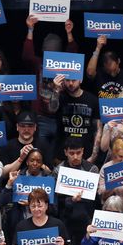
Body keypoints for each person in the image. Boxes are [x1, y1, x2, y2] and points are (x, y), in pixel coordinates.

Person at [22, 15, 78, 164]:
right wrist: (30, 29)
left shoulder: (63, 64)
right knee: (41, 155)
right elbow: (27, 55)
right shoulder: (39, 63)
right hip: (41, 117)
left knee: (58, 156)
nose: (51, 52)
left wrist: (69, 33)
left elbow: (74, 55)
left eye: (54, 49)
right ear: (44, 50)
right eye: (48, 49)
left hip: (61, 117)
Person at [53, 137, 100, 245]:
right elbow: (55, 199)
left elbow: (95, 198)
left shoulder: (92, 169)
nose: (75, 156)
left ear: (83, 152)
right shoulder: (59, 170)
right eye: (71, 153)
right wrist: (70, 200)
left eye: (78, 153)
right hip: (64, 219)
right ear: (65, 152)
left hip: (85, 218)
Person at [48, 74, 101, 162]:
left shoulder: (92, 100)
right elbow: (52, 109)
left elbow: (98, 130)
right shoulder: (60, 97)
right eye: (67, 80)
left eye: (74, 80)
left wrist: (94, 155)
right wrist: (56, 90)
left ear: (80, 80)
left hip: (85, 153)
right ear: (63, 81)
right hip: (62, 153)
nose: (71, 83)